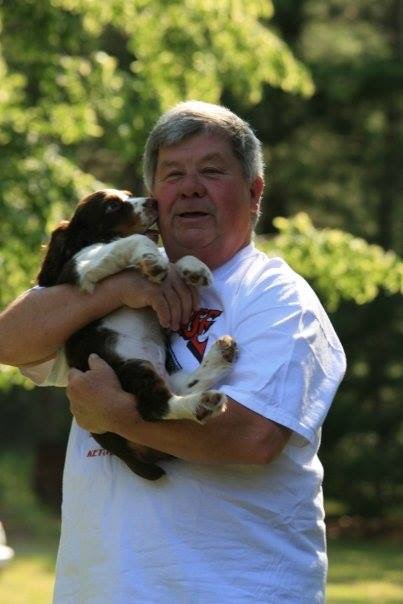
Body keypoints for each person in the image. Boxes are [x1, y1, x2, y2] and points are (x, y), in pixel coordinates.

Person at [0, 101, 346, 603]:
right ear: (154, 195)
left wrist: (120, 417)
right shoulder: (123, 280)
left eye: (211, 171)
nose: (189, 187)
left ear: (254, 192)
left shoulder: (276, 298)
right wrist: (115, 291)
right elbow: (10, 341)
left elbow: (253, 438)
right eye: (173, 173)